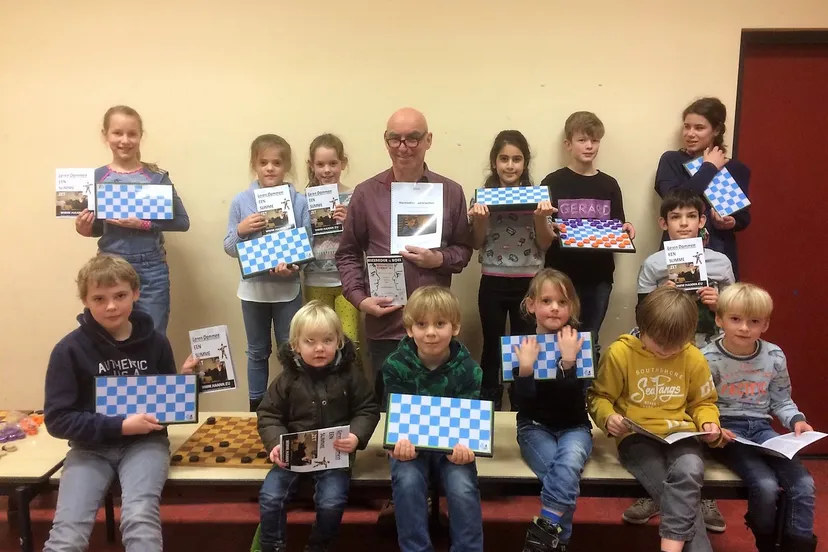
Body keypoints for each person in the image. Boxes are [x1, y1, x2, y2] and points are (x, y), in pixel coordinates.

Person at [43, 255, 197, 552]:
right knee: (68, 533)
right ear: (85, 301)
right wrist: (121, 425)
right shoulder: (68, 351)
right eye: (99, 298)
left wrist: (184, 384)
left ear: (136, 294)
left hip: (145, 445)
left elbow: (165, 410)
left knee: (140, 518)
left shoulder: (156, 343)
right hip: (89, 448)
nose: (111, 306)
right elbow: (58, 419)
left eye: (120, 296)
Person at [335, 107, 472, 389]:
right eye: (394, 139)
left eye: (412, 138)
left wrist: (438, 259)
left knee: (437, 412)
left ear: (428, 140)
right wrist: (360, 299)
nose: (403, 147)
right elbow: (347, 253)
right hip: (386, 327)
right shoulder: (366, 193)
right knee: (389, 416)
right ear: (386, 141)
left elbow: (464, 249)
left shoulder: (451, 191)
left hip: (435, 329)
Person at [588, 287, 726, 552]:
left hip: (681, 432)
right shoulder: (620, 353)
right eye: (658, 343)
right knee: (670, 486)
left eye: (674, 346)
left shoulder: (693, 357)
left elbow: (704, 402)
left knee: (690, 470)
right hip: (636, 436)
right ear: (642, 327)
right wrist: (609, 418)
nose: (665, 352)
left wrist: (708, 422)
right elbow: (598, 397)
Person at [628, 190, 734, 532]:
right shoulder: (654, 264)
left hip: (706, 349)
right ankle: (652, 491)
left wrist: (719, 303)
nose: (684, 223)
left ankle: (704, 496)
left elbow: (736, 314)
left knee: (703, 419)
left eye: (691, 216)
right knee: (657, 412)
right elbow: (642, 315)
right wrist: (663, 293)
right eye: (676, 217)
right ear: (664, 223)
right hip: (665, 353)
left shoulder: (720, 262)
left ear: (702, 221)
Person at [256, 300, 380, 552]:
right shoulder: (287, 379)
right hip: (293, 454)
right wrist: (276, 442)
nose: (319, 348)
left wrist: (356, 436)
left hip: (335, 455)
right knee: (270, 498)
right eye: (310, 342)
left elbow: (367, 409)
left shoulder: (351, 376)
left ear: (339, 342)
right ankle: (272, 546)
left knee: (332, 503)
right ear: (295, 346)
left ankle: (318, 546)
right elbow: (268, 414)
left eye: (327, 340)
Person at [703, 284, 818, 552]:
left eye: (753, 321)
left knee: (803, 484)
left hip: (762, 429)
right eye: (735, 319)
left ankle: (797, 546)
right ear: (719, 320)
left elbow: (781, 399)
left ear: (764, 325)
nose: (744, 328)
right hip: (727, 432)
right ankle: (767, 542)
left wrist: (796, 420)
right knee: (765, 485)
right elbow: (701, 403)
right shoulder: (707, 358)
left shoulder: (774, 356)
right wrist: (713, 429)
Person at [382, 286, 484, 552]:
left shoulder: (470, 370)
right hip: (409, 449)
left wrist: (466, 447)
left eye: (440, 324)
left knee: (461, 486)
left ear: (455, 327)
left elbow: (469, 425)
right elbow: (395, 418)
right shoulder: (395, 366)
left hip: (452, 450)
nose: (430, 332)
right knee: (407, 482)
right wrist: (397, 445)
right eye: (421, 324)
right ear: (408, 329)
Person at [74, 105, 190, 335]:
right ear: (105, 135)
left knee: (153, 336)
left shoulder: (157, 178)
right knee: (110, 338)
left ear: (140, 136)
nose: (125, 140)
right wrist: (85, 228)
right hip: (109, 266)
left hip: (151, 270)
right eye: (118, 133)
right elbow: (99, 227)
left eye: (132, 134)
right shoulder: (95, 179)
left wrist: (143, 224)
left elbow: (182, 221)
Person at [468, 130, 556, 408]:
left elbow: (544, 243)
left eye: (517, 159)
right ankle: (489, 407)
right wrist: (480, 219)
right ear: (494, 162)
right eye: (503, 158)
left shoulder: (538, 197)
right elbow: (475, 242)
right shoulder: (482, 198)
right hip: (493, 281)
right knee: (492, 348)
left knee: (524, 348)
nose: (510, 165)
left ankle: (522, 406)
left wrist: (541, 218)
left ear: (525, 164)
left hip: (529, 283)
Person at [223, 134, 311, 412]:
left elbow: (307, 247)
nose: (270, 168)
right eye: (264, 162)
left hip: (288, 291)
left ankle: (293, 405)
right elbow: (228, 247)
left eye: (276, 162)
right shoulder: (241, 202)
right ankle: (256, 408)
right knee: (257, 353)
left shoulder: (298, 202)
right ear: (254, 165)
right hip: (253, 292)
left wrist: (295, 266)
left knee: (292, 350)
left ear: (286, 166)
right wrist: (241, 230)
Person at [511, 269, 593, 551]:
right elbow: (523, 403)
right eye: (546, 301)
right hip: (534, 427)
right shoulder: (520, 346)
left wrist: (568, 362)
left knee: (567, 464)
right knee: (560, 473)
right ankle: (557, 542)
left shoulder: (579, 344)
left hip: (574, 426)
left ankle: (542, 536)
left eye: (562, 301)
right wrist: (525, 368)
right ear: (531, 305)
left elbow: (571, 399)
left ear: (572, 307)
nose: (555, 308)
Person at [542, 111, 634, 337]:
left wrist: (626, 229)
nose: (589, 146)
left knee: (589, 340)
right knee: (556, 339)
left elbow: (618, 226)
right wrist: (547, 226)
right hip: (560, 276)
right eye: (582, 140)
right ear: (568, 144)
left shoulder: (609, 185)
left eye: (594, 140)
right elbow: (542, 233)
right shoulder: (551, 182)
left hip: (599, 277)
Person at [655, 97, 751, 279]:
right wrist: (709, 168)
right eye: (687, 126)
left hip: (719, 249)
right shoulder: (672, 160)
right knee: (682, 302)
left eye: (699, 128)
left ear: (716, 130)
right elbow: (675, 200)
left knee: (718, 304)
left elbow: (744, 218)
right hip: (681, 246)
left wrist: (731, 222)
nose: (690, 133)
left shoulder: (736, 168)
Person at [302, 134, 361, 350]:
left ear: (343, 163)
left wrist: (350, 222)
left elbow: (366, 239)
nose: (327, 170)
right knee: (318, 344)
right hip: (315, 280)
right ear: (312, 165)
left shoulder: (355, 197)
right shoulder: (302, 200)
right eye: (320, 164)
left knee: (349, 343)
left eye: (333, 163)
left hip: (348, 281)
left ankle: (351, 385)